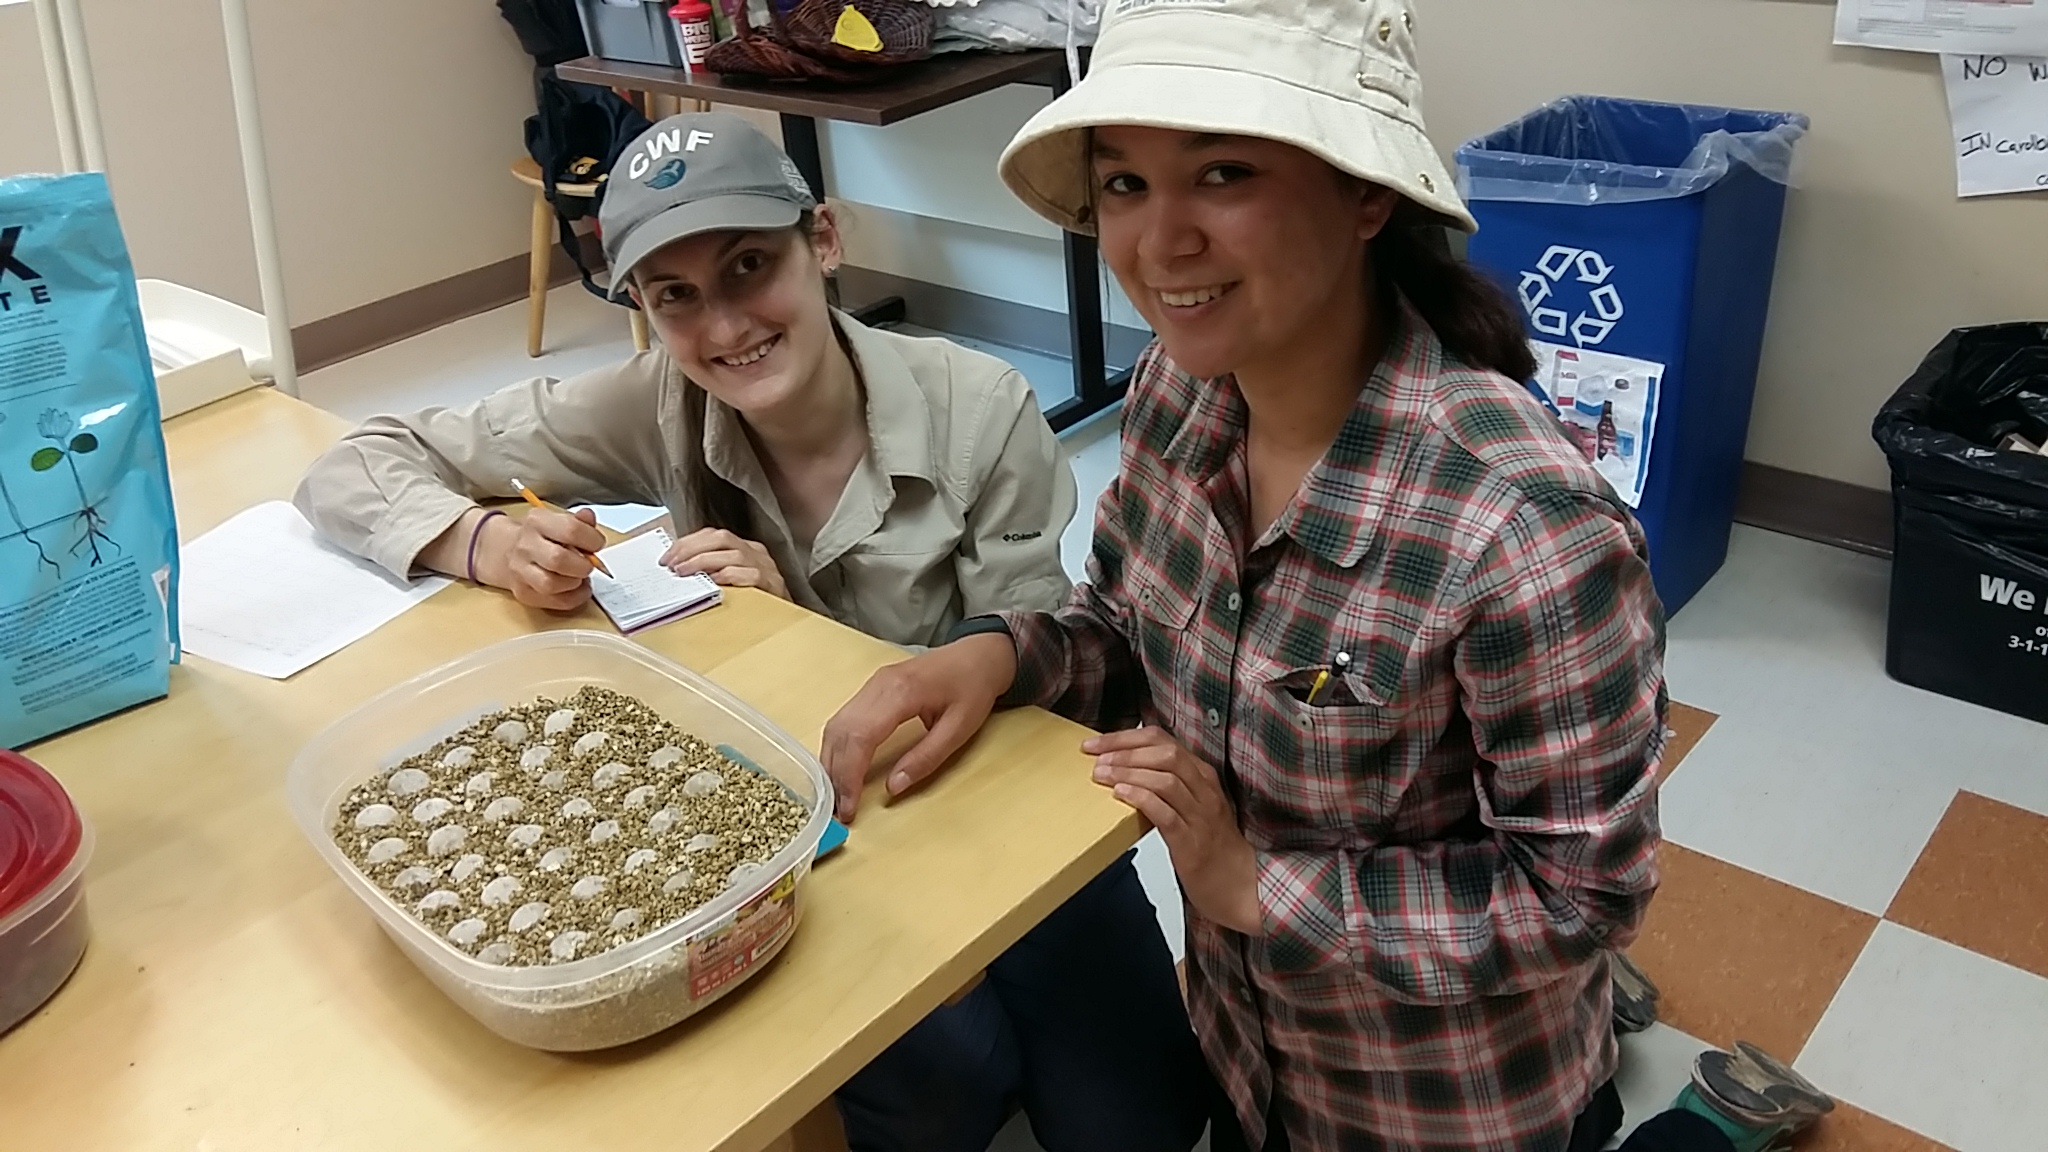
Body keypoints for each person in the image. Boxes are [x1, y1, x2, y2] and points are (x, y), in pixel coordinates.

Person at [816, 3, 1832, 1151]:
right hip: (1248, 1050)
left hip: (1439, 1105)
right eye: (1124, 184)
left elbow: (1580, 894)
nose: (1159, 242)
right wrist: (993, 655)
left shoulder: (1520, 529)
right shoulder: (1178, 394)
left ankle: (1708, 1120)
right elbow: (1125, 623)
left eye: (1222, 173)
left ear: (1365, 195)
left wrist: (1252, 886)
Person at [296, 113, 1207, 1152]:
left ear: (822, 239)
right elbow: (359, 458)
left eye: (747, 266)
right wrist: (483, 541)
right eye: (673, 295)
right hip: (816, 832)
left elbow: (1030, 677)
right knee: (940, 1092)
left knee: (1136, 1120)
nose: (724, 326)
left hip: (988, 804)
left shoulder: (978, 408)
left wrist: (791, 622)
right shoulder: (658, 401)